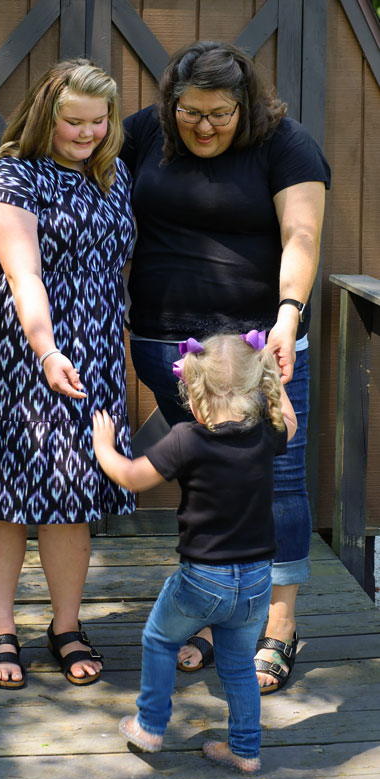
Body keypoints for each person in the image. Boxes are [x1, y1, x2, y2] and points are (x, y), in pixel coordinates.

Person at [119, 40, 331, 692]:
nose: (204, 126)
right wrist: (10, 159)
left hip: (255, 352)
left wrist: (289, 314)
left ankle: (278, 625)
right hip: (167, 349)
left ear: (246, 105)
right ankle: (216, 612)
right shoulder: (146, 131)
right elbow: (70, 151)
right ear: (171, 102)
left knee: (278, 484)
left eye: (219, 114)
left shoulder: (284, 143)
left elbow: (301, 234)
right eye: (191, 112)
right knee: (209, 484)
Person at [0, 58, 136, 689]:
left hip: (95, 357)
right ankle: (1, 627)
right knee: (3, 496)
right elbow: (25, 273)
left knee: (71, 495)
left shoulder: (114, 174)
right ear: (43, 116)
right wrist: (47, 349)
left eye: (97, 120)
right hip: (19, 356)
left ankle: (65, 625)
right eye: (71, 121)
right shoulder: (9, 177)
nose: (85, 133)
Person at [93, 332, 297, 772]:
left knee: (160, 638)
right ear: (256, 386)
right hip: (258, 579)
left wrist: (103, 448)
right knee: (239, 665)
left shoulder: (187, 438)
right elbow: (291, 425)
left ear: (193, 391)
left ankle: (149, 725)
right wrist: (276, 383)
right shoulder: (267, 433)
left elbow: (129, 476)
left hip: (203, 578)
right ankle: (245, 750)